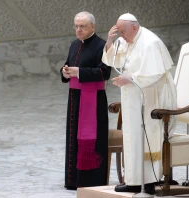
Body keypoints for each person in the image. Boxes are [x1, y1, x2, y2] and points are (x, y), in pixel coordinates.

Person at [102, 13, 177, 194]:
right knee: (133, 136)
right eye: (118, 31)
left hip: (151, 97)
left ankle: (149, 181)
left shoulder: (150, 43)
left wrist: (130, 78)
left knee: (146, 135)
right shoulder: (126, 40)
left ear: (134, 27)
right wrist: (109, 41)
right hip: (133, 97)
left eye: (123, 31)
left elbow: (155, 74)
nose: (121, 35)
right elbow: (112, 60)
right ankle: (134, 180)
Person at [61, 11, 111, 189]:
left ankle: (91, 180)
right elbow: (68, 65)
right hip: (74, 100)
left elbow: (104, 72)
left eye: (82, 26)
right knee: (73, 138)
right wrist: (65, 72)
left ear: (92, 27)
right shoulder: (75, 44)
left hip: (94, 101)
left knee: (93, 139)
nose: (79, 29)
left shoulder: (101, 45)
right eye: (76, 26)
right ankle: (73, 180)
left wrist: (79, 72)